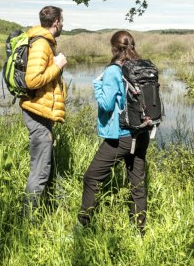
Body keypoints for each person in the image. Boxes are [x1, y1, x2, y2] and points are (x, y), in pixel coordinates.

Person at [77, 30, 150, 235]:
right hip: (141, 135)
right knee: (137, 182)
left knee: (91, 177)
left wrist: (97, 86)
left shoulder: (113, 71)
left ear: (114, 48)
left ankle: (82, 226)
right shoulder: (142, 67)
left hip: (121, 137)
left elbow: (107, 105)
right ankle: (139, 232)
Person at [21, 5, 67, 217]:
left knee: (45, 163)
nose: (63, 24)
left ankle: (47, 209)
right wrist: (57, 66)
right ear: (56, 22)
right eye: (62, 20)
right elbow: (32, 80)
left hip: (42, 112)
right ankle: (28, 221)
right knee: (40, 168)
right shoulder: (41, 44)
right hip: (37, 113)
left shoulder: (44, 42)